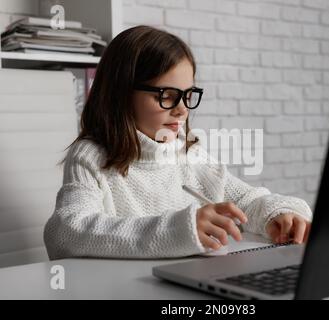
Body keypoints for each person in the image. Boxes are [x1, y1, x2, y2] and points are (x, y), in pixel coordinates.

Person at [43, 25, 312, 260]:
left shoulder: (186, 152)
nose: (183, 110)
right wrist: (181, 229)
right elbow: (65, 233)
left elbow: (245, 200)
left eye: (188, 95)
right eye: (167, 95)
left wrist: (280, 214)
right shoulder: (90, 156)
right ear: (122, 94)